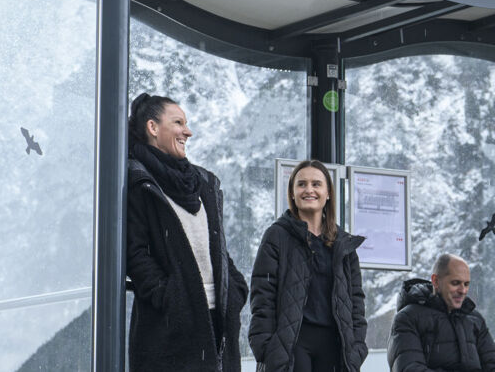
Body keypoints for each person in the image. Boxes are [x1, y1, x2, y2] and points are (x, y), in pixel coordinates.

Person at [124, 93, 248, 372]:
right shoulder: (138, 182)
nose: (188, 131)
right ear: (153, 128)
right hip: (169, 330)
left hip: (218, 324)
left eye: (186, 123)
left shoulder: (203, 183)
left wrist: (236, 290)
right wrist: (173, 300)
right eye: (178, 122)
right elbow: (135, 254)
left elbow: (215, 246)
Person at [250, 159, 369, 372]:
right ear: (293, 193)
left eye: (316, 184)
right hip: (292, 345)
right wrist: (266, 348)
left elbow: (356, 301)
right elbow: (262, 295)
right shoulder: (277, 236)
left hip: (335, 347)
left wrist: (357, 347)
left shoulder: (343, 243)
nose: (309, 190)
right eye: (301, 184)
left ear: (328, 193)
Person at [387, 254, 495, 372]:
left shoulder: (475, 319)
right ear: (436, 281)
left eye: (466, 284)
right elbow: (409, 368)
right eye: (455, 283)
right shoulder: (408, 318)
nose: (463, 290)